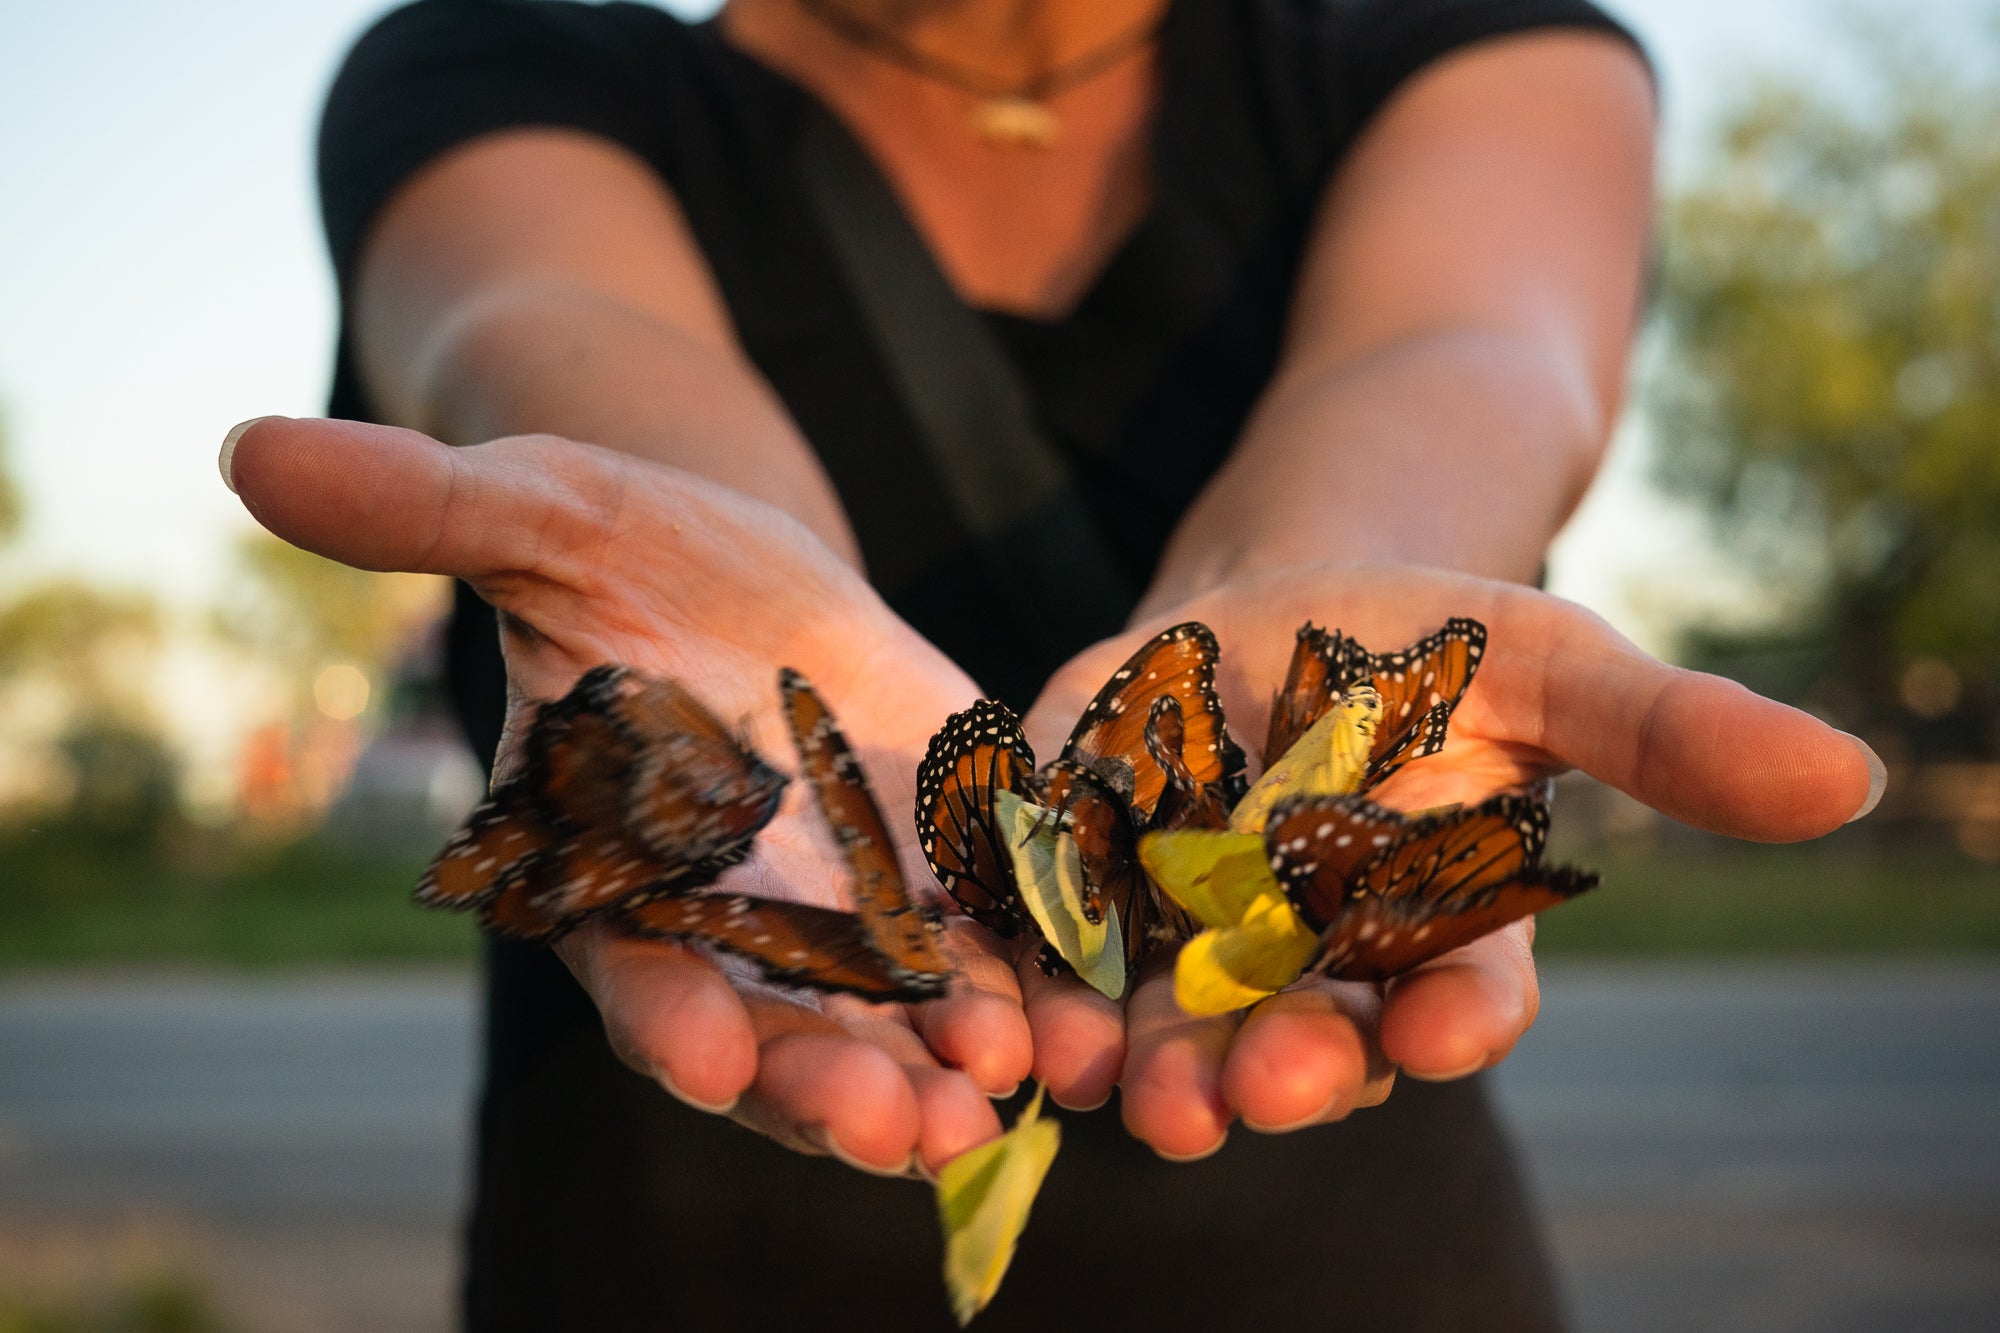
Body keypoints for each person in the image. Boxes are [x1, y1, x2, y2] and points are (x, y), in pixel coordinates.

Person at [221, 0, 1883, 1326]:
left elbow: (1470, 352)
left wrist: (1318, 608)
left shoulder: (1468, 44)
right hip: (659, 1247)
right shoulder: (493, 59)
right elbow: (547, 318)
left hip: (1351, 1262)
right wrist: (720, 577)